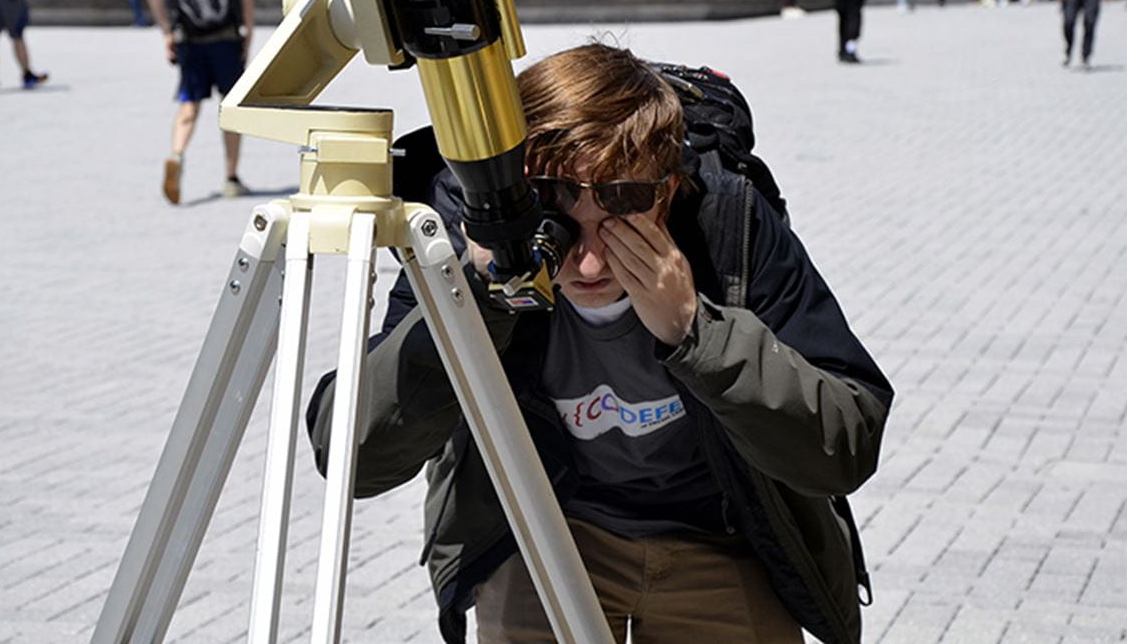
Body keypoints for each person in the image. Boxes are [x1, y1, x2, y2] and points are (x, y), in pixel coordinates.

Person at [306, 42, 893, 644]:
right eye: (558, 222)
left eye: (620, 211)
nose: (587, 263)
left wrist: (696, 331)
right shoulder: (473, 235)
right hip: (548, 529)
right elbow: (354, 457)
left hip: (720, 533)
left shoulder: (725, 221)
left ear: (667, 190)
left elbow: (846, 443)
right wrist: (478, 302)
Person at [146, 0, 255, 204]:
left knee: (189, 104)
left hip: (190, 39)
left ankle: (177, 155)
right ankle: (231, 178)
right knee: (231, 108)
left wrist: (167, 30)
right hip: (224, 36)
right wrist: (247, 30)